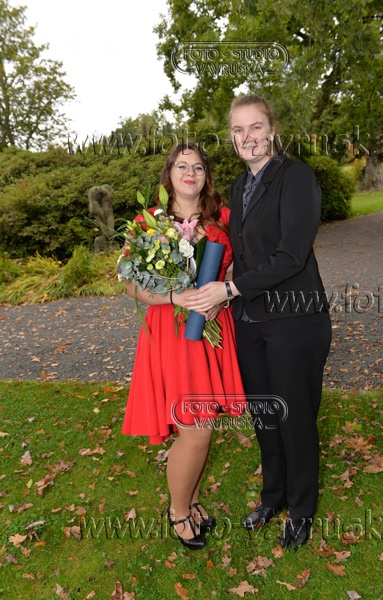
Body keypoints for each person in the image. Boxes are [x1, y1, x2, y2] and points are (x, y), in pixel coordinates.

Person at [185, 95, 332, 550]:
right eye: (237, 130)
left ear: (271, 131)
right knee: (266, 415)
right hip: (249, 321)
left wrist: (229, 289)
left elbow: (291, 255)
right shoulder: (237, 186)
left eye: (255, 127)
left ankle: (302, 509)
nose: (246, 137)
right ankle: (273, 497)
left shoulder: (295, 176)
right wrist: (218, 289)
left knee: (295, 418)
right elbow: (245, 254)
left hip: (293, 319)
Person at [120, 142, 245, 550]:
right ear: (169, 174)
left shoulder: (223, 219)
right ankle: (177, 512)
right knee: (197, 431)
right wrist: (175, 297)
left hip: (212, 327)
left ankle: (191, 500)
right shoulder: (149, 222)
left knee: (201, 426)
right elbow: (130, 285)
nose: (190, 173)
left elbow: (238, 271)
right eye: (181, 166)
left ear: (206, 176)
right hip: (171, 333)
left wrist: (222, 298)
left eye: (198, 167)